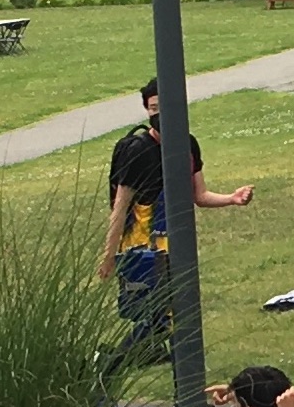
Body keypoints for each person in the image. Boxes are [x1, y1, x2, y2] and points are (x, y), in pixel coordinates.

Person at [101, 79, 258, 335]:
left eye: (164, 106)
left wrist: (232, 198)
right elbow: (119, 208)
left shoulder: (188, 144)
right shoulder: (137, 151)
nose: (159, 114)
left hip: (178, 245)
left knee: (175, 317)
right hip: (143, 246)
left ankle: (128, 363)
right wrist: (109, 257)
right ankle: (108, 368)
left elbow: (200, 195)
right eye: (153, 108)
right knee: (157, 319)